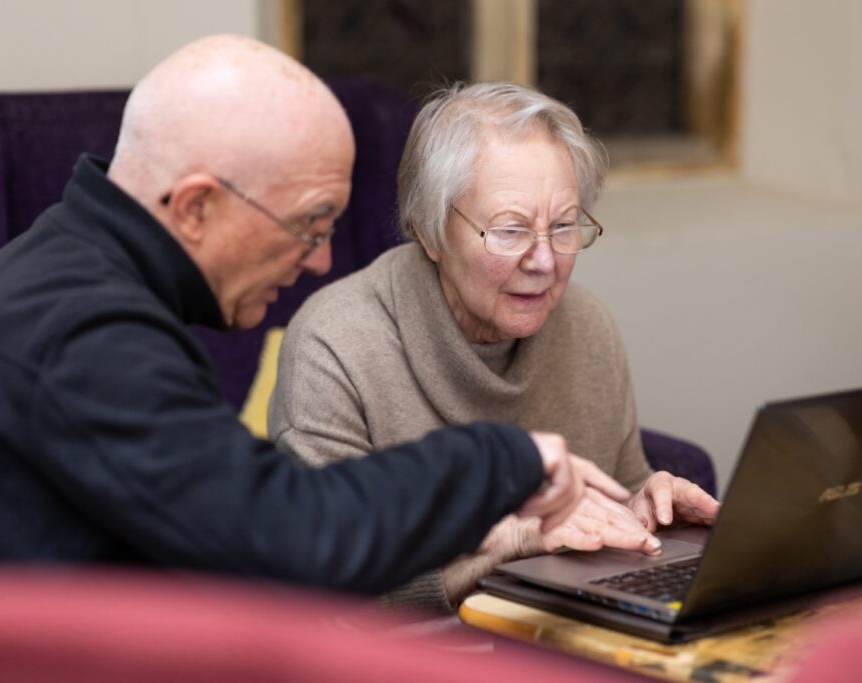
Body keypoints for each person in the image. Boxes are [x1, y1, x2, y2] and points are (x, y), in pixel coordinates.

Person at [0, 36, 631, 595]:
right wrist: (503, 460)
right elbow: (289, 541)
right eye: (309, 223)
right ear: (194, 207)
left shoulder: (71, 266)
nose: (319, 259)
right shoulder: (81, 327)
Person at [268, 82, 721, 611]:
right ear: (429, 231)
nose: (545, 262)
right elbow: (326, 597)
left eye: (564, 226)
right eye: (510, 230)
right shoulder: (336, 347)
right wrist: (514, 543)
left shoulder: (586, 325)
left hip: (565, 643)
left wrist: (650, 513)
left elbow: (613, 505)